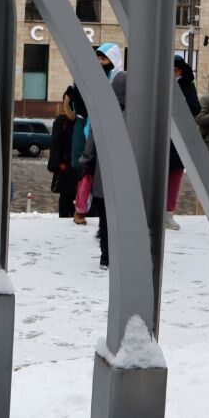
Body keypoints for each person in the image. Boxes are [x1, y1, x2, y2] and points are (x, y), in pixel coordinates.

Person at [78, 43, 127, 270]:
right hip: (130, 180)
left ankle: (106, 257)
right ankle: (122, 255)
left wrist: (85, 165)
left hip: (103, 177)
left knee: (106, 219)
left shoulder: (104, 113)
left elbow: (92, 143)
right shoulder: (140, 118)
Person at [165, 56, 201, 230]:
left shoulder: (187, 86)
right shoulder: (160, 84)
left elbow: (196, 108)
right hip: (160, 135)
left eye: (177, 69)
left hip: (177, 139)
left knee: (174, 177)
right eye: (171, 69)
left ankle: (169, 213)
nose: (173, 72)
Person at [47, 89, 79, 218]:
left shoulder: (82, 120)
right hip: (66, 167)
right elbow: (55, 145)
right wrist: (58, 163)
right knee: (66, 197)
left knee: (79, 195)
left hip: (78, 166)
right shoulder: (62, 121)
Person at [67, 84, 90, 225]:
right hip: (85, 151)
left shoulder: (80, 119)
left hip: (83, 151)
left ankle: (81, 210)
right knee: (86, 177)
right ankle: (80, 210)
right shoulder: (82, 120)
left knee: (86, 177)